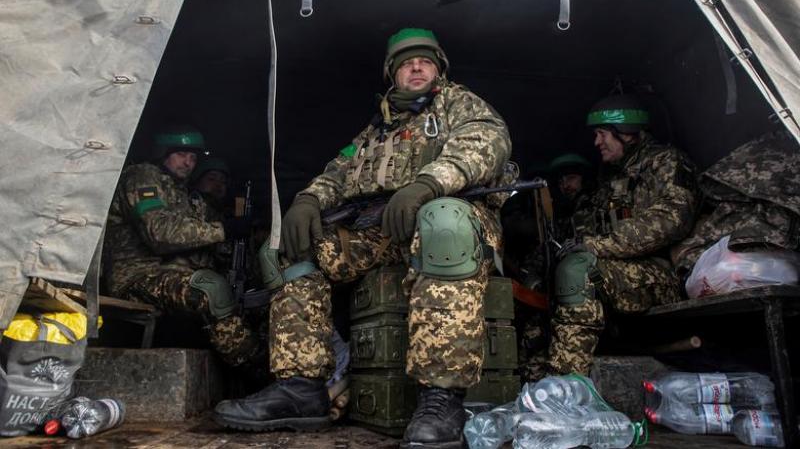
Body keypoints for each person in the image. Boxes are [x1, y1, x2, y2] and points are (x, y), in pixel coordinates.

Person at [213, 28, 512, 448]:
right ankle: (301, 388)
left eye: (425, 61)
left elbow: (486, 141)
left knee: (443, 221)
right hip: (382, 229)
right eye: (407, 63)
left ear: (439, 69)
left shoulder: (458, 103)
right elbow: (339, 171)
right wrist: (309, 199)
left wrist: (427, 184)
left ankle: (441, 398)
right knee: (287, 246)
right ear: (392, 73)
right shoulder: (376, 130)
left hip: (449, 221)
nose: (416, 67)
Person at [536, 94, 698, 378]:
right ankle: (535, 376)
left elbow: (670, 221)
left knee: (577, 271)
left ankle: (567, 383)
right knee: (555, 278)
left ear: (626, 133)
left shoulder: (665, 162)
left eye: (602, 134)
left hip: (661, 274)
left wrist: (595, 246)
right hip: (619, 272)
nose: (596, 142)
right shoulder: (611, 178)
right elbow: (587, 226)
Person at [103, 125, 258, 366]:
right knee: (211, 290)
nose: (188, 162)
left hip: (171, 274)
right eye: (181, 154)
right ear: (163, 153)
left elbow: (199, 240)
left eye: (193, 158)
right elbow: (160, 232)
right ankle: (251, 367)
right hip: (137, 277)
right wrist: (223, 230)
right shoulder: (142, 176)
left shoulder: (183, 193)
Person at [548, 153, 594, 241]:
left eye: (571, 178)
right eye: (561, 182)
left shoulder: (592, 205)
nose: (565, 186)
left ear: (584, 179)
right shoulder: (563, 211)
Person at [191, 155, 231, 221]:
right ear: (198, 181)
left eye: (223, 181)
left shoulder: (225, 211)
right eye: (211, 179)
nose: (218, 184)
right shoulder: (190, 205)